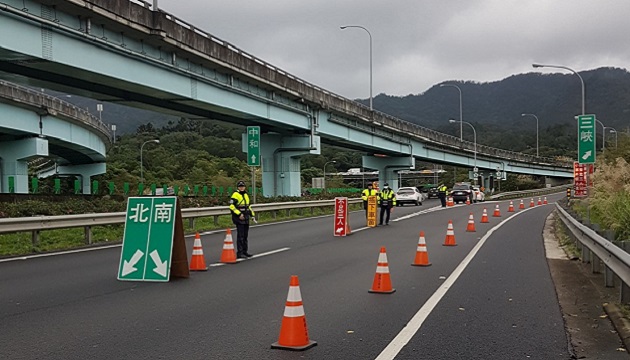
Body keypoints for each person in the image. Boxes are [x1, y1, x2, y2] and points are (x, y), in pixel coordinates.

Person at [229, 180, 256, 258]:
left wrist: (252, 215)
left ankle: (245, 251)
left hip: (246, 217)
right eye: (240, 187)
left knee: (245, 236)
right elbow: (231, 206)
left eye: (243, 186)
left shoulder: (246, 194)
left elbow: (248, 206)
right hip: (239, 218)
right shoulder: (235, 195)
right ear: (238, 187)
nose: (242, 188)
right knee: (240, 236)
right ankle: (240, 253)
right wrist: (239, 214)